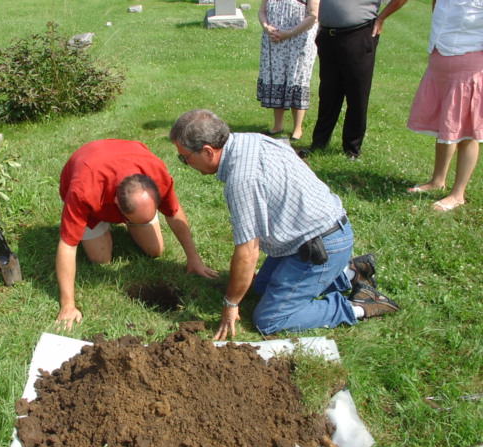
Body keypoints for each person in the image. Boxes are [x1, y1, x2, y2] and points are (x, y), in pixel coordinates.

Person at [170, 109, 399, 340]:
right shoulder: (250, 140)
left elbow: (248, 253)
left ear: (208, 151)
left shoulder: (242, 180)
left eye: (185, 158)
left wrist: (230, 304)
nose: (185, 163)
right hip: (311, 236)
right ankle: (351, 273)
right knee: (259, 288)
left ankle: (360, 306)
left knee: (270, 319)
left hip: (321, 245)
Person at [55, 139, 218, 329]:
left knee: (154, 250)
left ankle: (136, 221)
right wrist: (68, 305)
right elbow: (67, 244)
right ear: (117, 203)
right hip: (91, 183)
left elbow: (174, 213)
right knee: (101, 258)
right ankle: (104, 223)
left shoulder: (157, 175)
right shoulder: (83, 189)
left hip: (124, 173)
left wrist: (194, 259)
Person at [299, 0, 407, 160]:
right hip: (328, 36)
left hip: (358, 34)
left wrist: (381, 18)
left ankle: (351, 148)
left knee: (357, 94)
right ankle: (319, 143)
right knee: (328, 93)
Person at [406, 0, 483, 212]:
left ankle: (458, 194)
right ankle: (437, 180)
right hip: (440, 64)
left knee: (467, 133)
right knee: (445, 126)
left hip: (469, 71)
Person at [256, 0, 319, 142]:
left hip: (298, 41)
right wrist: (266, 26)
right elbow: (262, 11)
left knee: (296, 80)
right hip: (274, 41)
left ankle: (297, 128)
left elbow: (313, 16)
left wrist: (290, 33)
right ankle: (277, 125)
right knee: (276, 79)